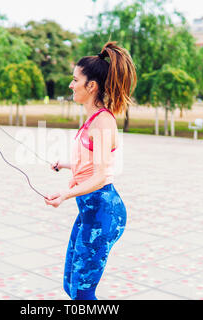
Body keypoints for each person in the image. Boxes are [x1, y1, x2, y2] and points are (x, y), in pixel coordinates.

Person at [44, 41, 137, 300]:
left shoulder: (103, 123)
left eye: (75, 80)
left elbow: (102, 176)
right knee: (70, 285)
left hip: (103, 213)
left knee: (83, 293)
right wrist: (65, 165)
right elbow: (92, 165)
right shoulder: (92, 120)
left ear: (91, 86)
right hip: (89, 211)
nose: (71, 85)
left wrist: (65, 194)